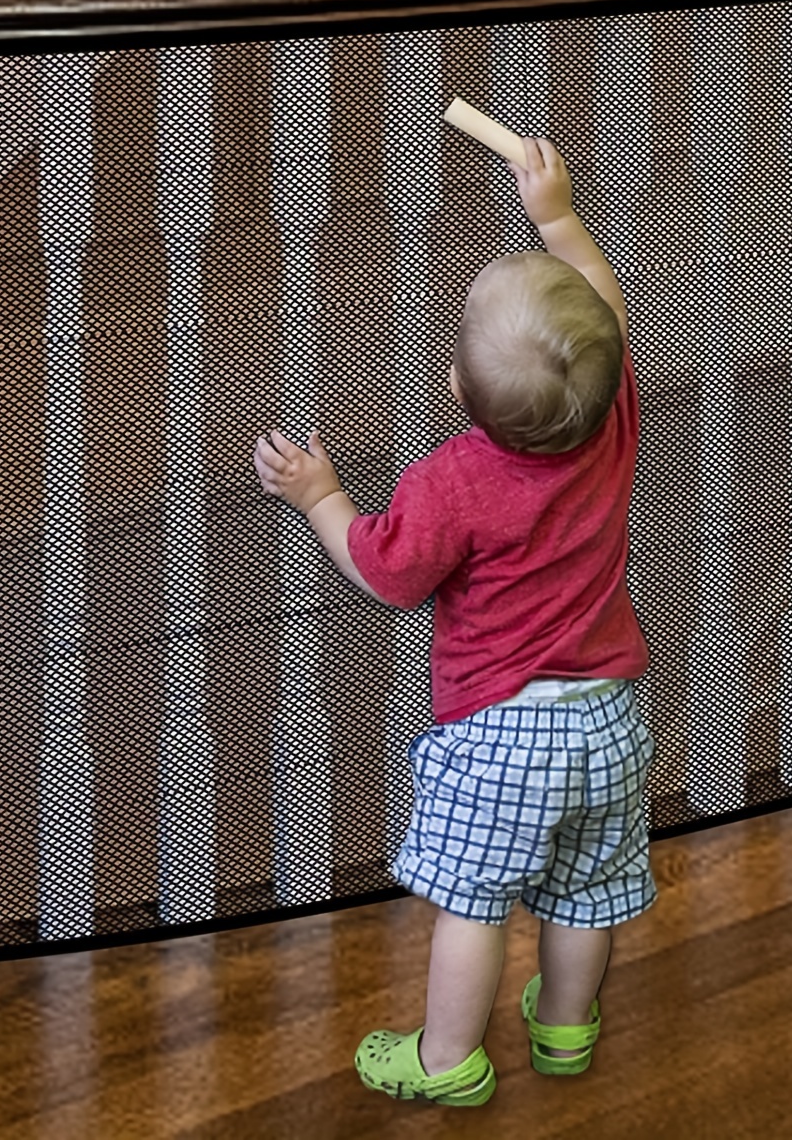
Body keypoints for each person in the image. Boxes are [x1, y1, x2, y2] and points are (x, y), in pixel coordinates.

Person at [252, 130, 655, 1108]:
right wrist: (555, 215)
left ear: (460, 392)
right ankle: (563, 1030)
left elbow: (386, 571)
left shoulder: (454, 481)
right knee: (584, 893)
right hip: (607, 720)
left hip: (500, 729)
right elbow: (605, 307)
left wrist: (320, 499)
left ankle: (446, 1061)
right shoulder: (610, 421)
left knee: (472, 905)